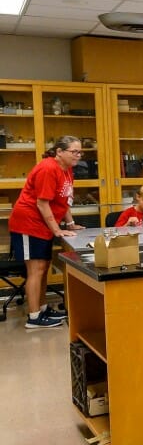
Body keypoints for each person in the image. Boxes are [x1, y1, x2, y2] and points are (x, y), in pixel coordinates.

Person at [9, 136, 85, 329]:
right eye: (74, 151)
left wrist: (71, 223)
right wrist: (57, 229)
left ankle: (42, 308)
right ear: (59, 152)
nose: (78, 155)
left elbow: (63, 200)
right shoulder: (48, 168)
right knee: (35, 270)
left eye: (80, 152)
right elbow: (42, 203)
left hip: (43, 225)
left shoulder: (67, 170)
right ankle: (34, 317)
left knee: (43, 268)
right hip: (29, 223)